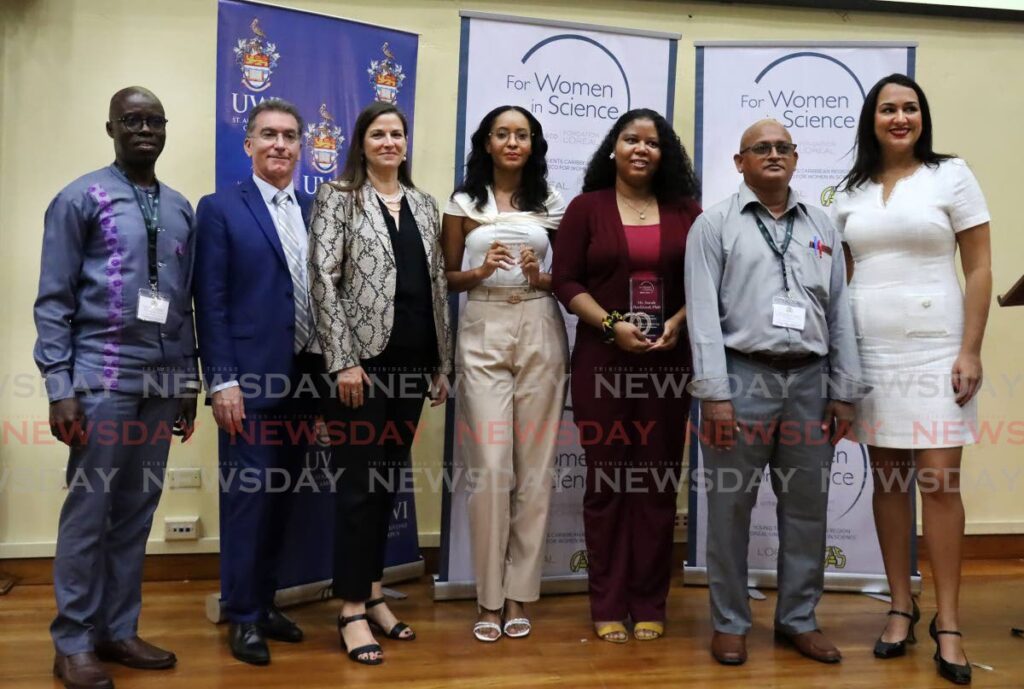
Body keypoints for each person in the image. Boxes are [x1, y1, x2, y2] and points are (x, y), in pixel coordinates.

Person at [684, 119, 865, 667]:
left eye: (783, 148)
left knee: (808, 508)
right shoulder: (714, 225)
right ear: (740, 162)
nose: (773, 154)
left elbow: (839, 312)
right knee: (731, 508)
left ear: (796, 158)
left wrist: (845, 391)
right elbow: (703, 319)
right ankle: (731, 622)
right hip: (741, 379)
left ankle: (798, 620)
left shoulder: (823, 226)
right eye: (760, 148)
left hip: (811, 383)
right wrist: (714, 395)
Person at [34, 86, 198, 689]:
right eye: (132, 120)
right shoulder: (80, 198)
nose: (145, 129)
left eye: (154, 119)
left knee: (135, 511)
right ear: (111, 128)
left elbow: (184, 304)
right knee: (90, 510)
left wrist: (187, 380)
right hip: (100, 375)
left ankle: (116, 630)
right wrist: (59, 386)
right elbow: (52, 302)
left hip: (161, 378)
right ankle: (72, 640)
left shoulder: (181, 208)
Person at [832, 74, 992, 685]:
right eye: (888, 109)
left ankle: (948, 621)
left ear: (923, 117)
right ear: (871, 120)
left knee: (940, 480)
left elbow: (978, 268)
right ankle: (900, 604)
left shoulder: (951, 174)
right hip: (872, 352)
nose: (900, 117)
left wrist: (970, 349)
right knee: (888, 480)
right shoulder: (848, 191)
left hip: (938, 350)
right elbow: (839, 282)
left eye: (911, 108)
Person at [308, 102, 452, 665]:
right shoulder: (338, 198)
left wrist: (443, 365)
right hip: (360, 370)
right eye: (378, 134)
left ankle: (372, 594)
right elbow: (323, 279)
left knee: (388, 482)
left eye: (397, 134)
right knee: (357, 488)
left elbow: (437, 287)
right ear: (361, 144)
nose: (389, 142)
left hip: (413, 366)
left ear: (406, 143)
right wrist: (343, 360)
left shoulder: (424, 203)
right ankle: (349, 611)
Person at [551, 108, 700, 644]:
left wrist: (679, 324)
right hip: (603, 363)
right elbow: (565, 282)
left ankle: (649, 601)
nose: (641, 149)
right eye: (631, 139)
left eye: (653, 142)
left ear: (665, 154)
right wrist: (613, 325)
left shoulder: (687, 211)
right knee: (608, 481)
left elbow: (703, 286)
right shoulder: (586, 208)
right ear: (613, 148)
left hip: (668, 363)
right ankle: (608, 603)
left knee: (657, 485)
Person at [193, 98, 322, 666]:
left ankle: (265, 602)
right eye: (268, 134)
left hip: (306, 381)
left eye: (290, 136)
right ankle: (242, 616)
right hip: (247, 384)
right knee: (247, 500)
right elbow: (210, 301)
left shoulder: (317, 208)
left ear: (302, 147)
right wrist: (221, 381)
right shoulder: (221, 208)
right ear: (248, 145)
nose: (280, 145)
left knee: (282, 500)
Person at [442, 105, 568, 642]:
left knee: (534, 468)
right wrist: (480, 269)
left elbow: (569, 279)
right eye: (503, 134)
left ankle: (520, 594)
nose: (513, 142)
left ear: (533, 143)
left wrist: (545, 277)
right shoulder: (463, 203)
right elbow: (447, 278)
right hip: (483, 326)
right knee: (491, 467)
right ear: (487, 143)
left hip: (540, 324)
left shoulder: (552, 203)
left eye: (522, 134)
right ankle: (487, 598)